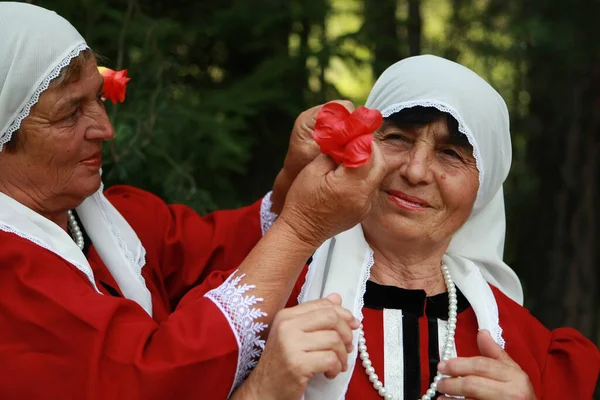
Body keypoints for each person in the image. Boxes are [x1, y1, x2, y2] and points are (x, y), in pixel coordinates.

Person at [0, 3, 388, 399]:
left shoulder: (109, 218)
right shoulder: (11, 278)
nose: (105, 128)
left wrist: (293, 181)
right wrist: (301, 228)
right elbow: (151, 377)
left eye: (99, 98)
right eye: (69, 114)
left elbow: (210, 251)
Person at [236, 55, 600, 399]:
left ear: (484, 189)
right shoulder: (264, 304)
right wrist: (261, 389)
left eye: (450, 154)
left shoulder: (527, 349)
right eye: (397, 138)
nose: (415, 171)